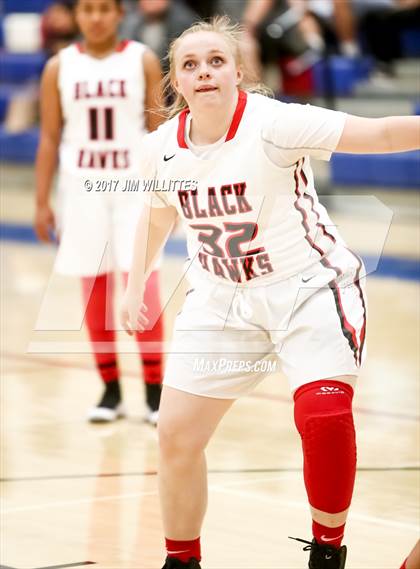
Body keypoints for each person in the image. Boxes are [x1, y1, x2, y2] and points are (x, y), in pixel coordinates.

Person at [120, 16, 420, 569]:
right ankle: (181, 560)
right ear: (176, 83)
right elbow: (157, 213)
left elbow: (375, 134)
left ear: (238, 70)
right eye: (190, 64)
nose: (204, 71)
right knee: (176, 435)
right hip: (220, 300)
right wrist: (134, 283)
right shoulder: (159, 148)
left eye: (215, 60)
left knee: (323, 418)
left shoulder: (276, 123)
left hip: (307, 287)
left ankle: (328, 551)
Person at [34, 0, 165, 425]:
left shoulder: (141, 59)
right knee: (94, 292)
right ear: (76, 16)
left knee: (143, 287)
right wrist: (41, 201)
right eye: (87, 9)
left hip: (133, 189)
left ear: (119, 13)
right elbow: (51, 137)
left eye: (104, 8)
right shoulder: (59, 66)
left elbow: (159, 128)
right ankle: (109, 389)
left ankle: (153, 392)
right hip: (81, 190)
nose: (95, 17)